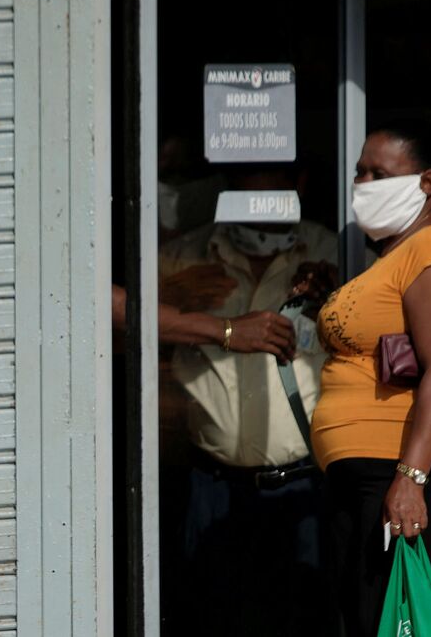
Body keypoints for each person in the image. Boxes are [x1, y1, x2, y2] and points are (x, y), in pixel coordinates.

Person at [309, 119, 431, 632]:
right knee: (363, 618)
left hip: (412, 468)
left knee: (386, 619)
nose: (363, 184)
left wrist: (411, 479)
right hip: (365, 471)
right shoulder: (393, 254)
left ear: (426, 183)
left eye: (378, 173)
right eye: (359, 172)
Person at [157, 163, 341, 636]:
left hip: (304, 484)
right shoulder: (183, 258)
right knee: (212, 621)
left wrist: (335, 297)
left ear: (299, 185)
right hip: (210, 486)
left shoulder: (332, 254)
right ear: (227, 189)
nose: (260, 224)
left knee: (304, 621)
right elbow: (122, 330)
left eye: (272, 207)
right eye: (246, 195)